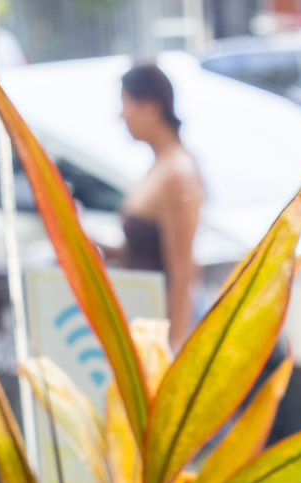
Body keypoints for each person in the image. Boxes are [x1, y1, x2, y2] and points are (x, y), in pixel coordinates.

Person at [117, 63, 204, 350]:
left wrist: (173, 348)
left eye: (126, 104)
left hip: (163, 328)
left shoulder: (178, 173)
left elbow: (183, 273)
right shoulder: (160, 166)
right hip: (145, 320)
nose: (122, 115)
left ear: (151, 108)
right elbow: (143, 248)